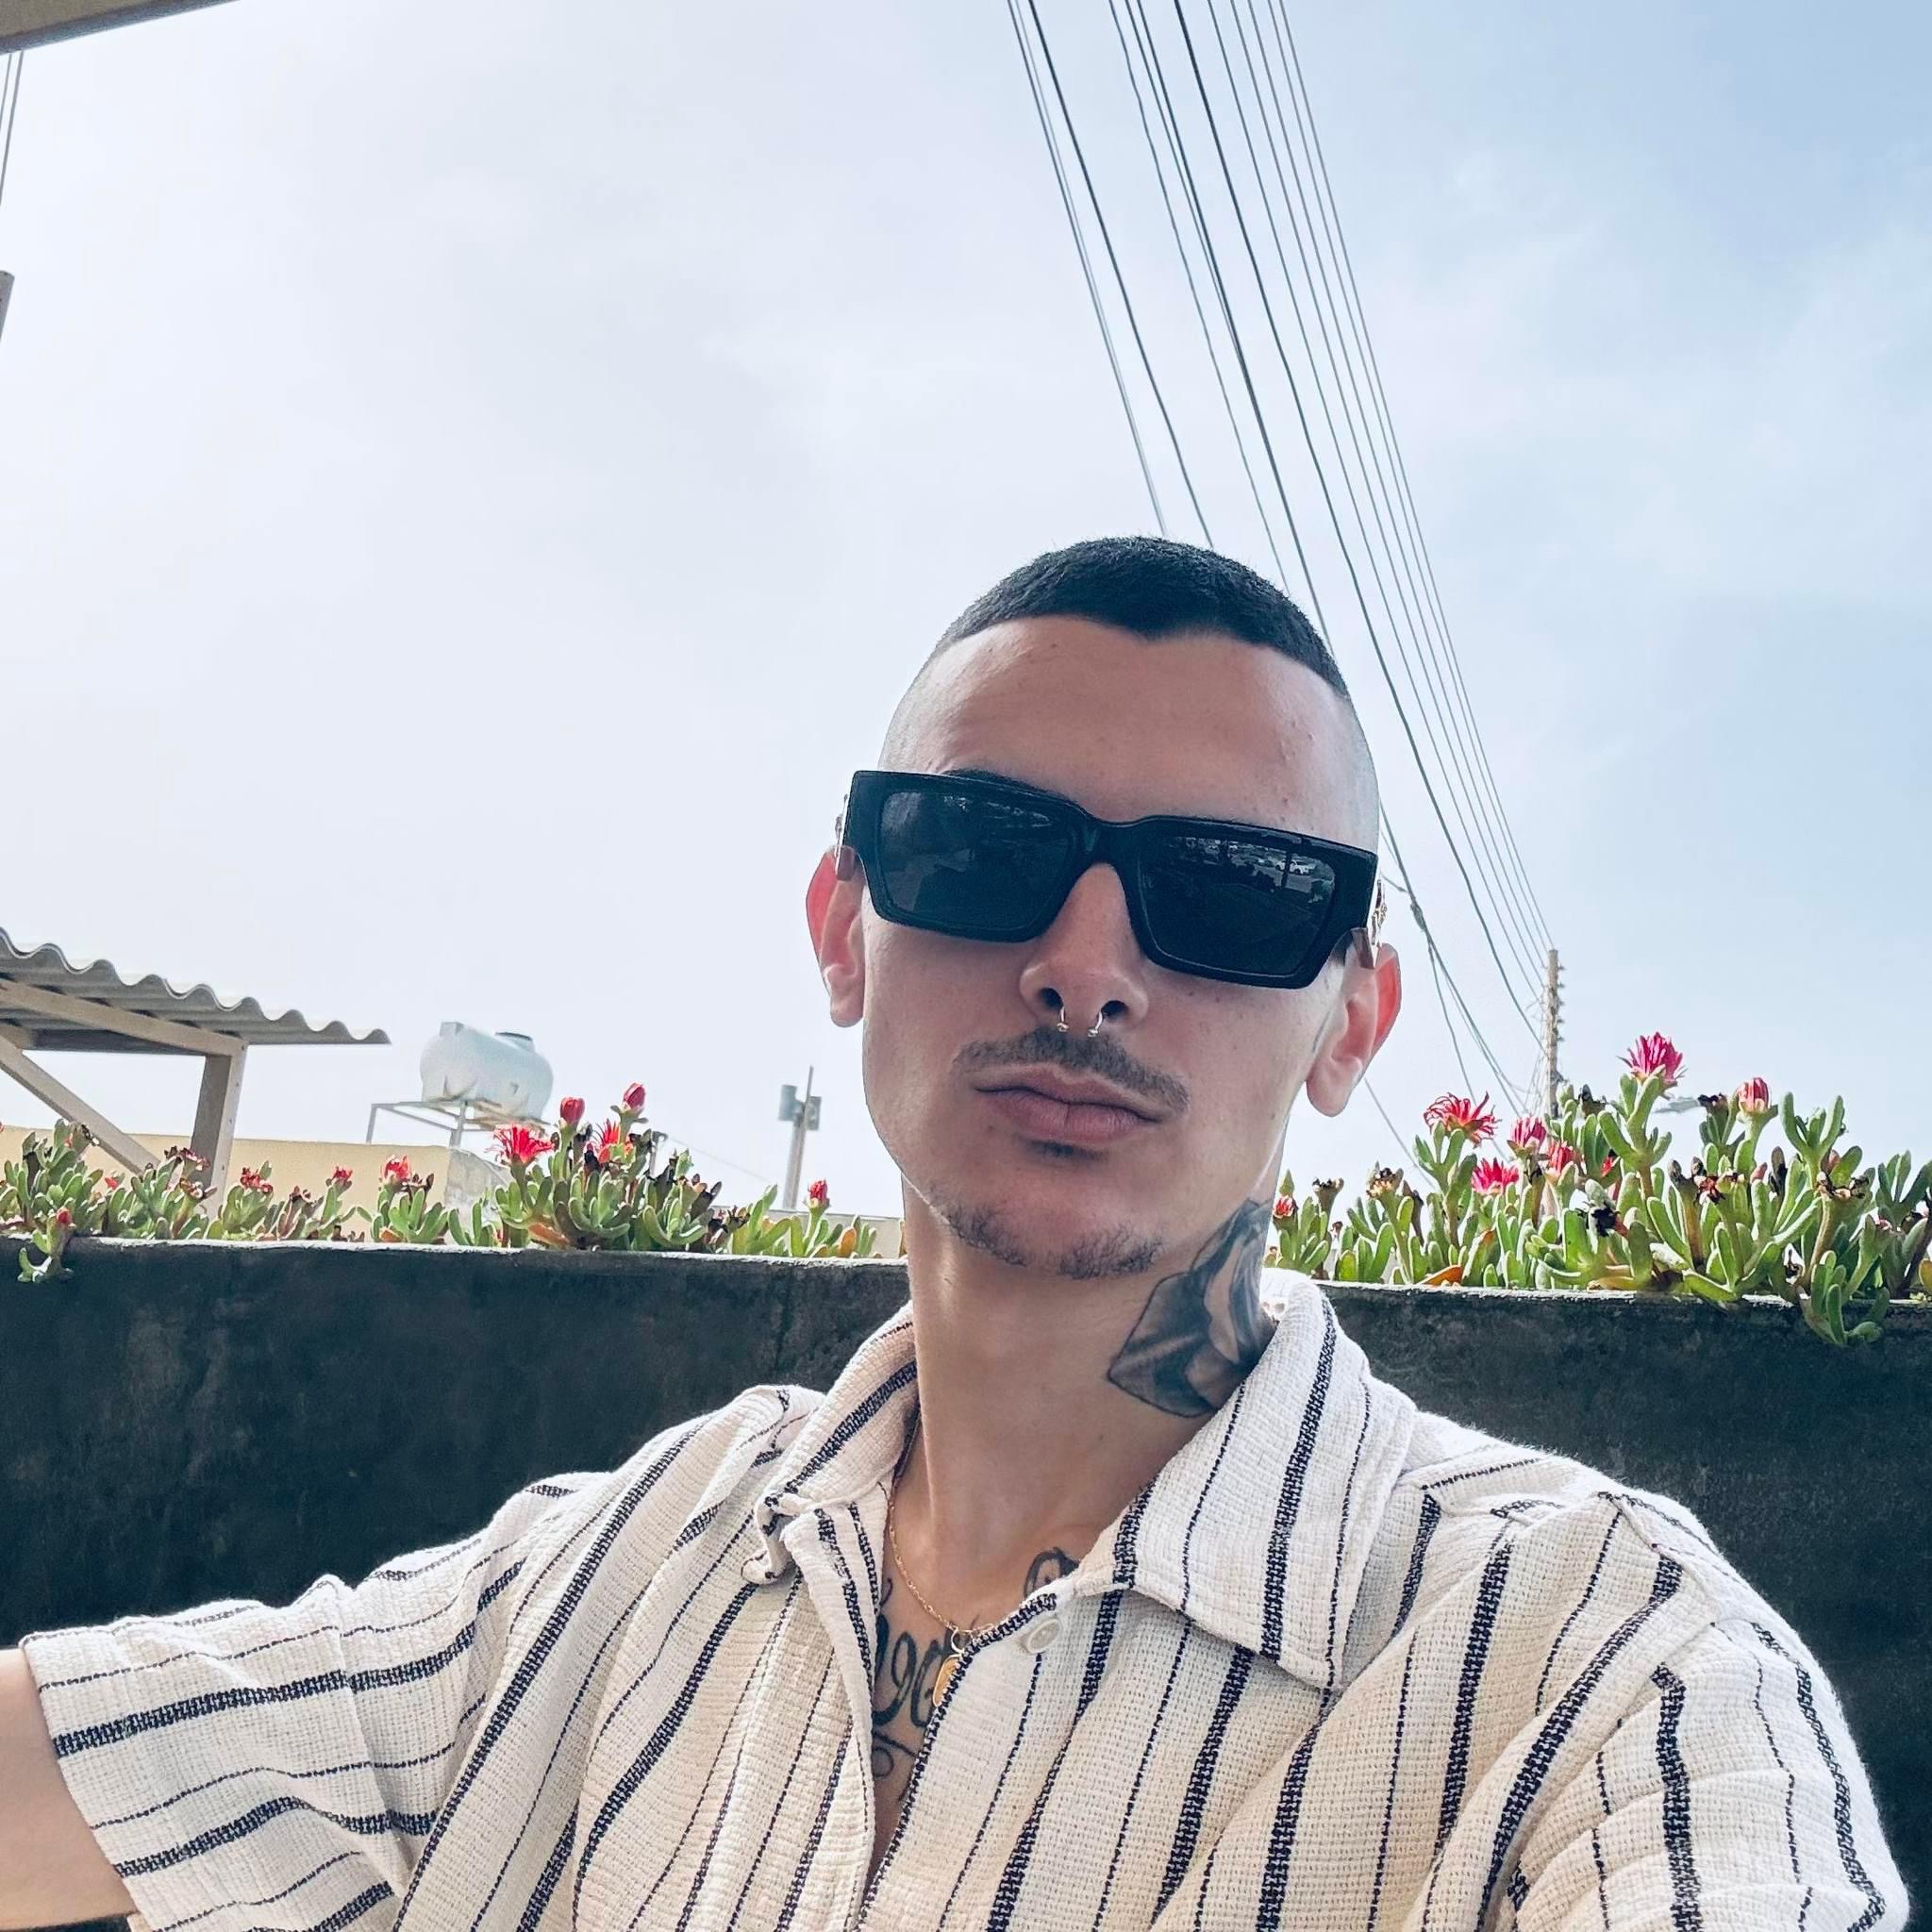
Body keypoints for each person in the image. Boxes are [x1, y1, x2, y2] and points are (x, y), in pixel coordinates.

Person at [0, 536, 1904, 1930]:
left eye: (1233, 893)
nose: (1086, 964)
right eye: (984, 851)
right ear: (846, 925)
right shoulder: (617, 1570)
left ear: (1353, 1021)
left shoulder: (1606, 1669)